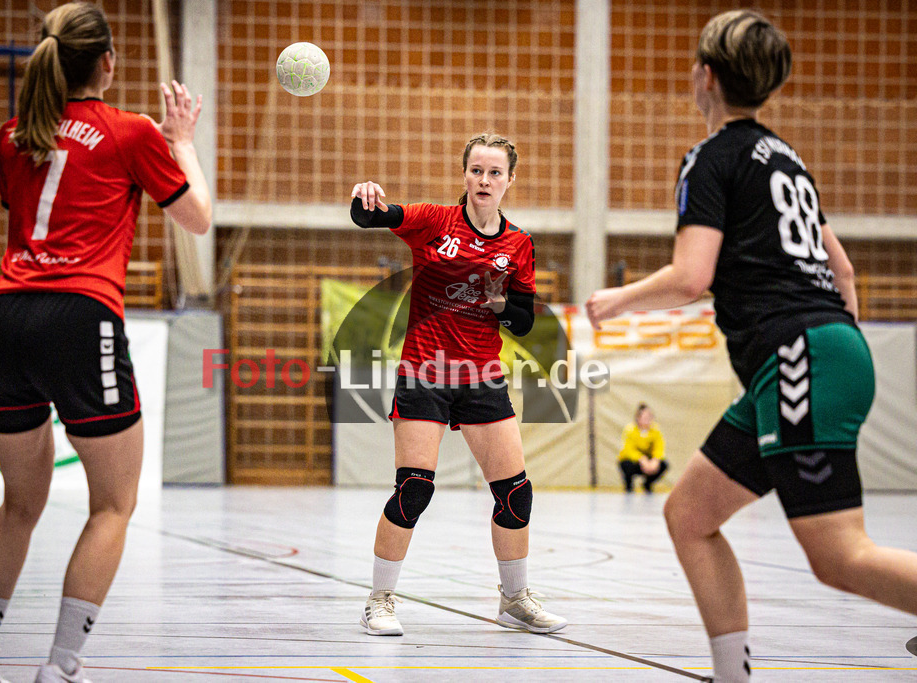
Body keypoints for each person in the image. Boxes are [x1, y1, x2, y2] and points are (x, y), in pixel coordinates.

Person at [586, 10, 917, 682]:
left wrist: (615, 301)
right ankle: (731, 673)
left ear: (705, 77)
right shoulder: (787, 159)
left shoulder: (710, 159)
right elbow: (843, 271)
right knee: (689, 514)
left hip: (798, 357)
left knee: (838, 555)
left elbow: (692, 276)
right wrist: (830, 344)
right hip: (816, 350)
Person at [0, 4, 211, 682]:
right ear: (107, 62)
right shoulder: (131, 132)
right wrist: (181, 137)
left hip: (3, 319)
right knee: (113, 505)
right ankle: (60, 666)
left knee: (18, 503)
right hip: (79, 316)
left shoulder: (15, 134)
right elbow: (198, 218)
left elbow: (27, 217)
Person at [349, 133, 567, 637]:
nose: (483, 180)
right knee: (414, 490)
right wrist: (364, 200)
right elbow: (372, 217)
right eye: (475, 170)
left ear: (510, 179)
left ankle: (513, 599)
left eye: (494, 172)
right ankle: (380, 599)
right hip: (425, 371)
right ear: (464, 175)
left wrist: (498, 306)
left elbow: (524, 320)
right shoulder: (434, 222)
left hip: (482, 378)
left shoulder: (518, 244)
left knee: (516, 495)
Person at [618, 403, 668, 493]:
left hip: (649, 461)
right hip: (635, 461)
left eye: (649, 417)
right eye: (644, 417)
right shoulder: (630, 430)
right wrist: (642, 459)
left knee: (664, 465)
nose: (647, 420)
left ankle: (647, 484)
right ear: (638, 418)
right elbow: (629, 449)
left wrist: (655, 460)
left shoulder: (655, 430)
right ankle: (629, 486)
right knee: (625, 464)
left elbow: (659, 447)